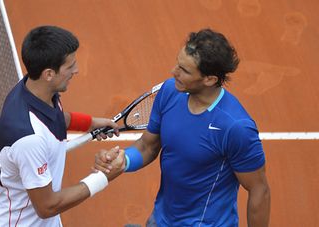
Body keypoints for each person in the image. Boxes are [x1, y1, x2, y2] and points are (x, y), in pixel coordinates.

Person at [95, 28, 271, 226]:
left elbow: (259, 190)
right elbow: (148, 146)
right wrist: (124, 160)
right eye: (178, 64)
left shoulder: (235, 127)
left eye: (184, 70)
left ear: (210, 79)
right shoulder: (170, 91)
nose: (173, 72)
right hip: (161, 219)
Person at [0, 25, 125, 227]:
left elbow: (56, 118)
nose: (77, 70)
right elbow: (47, 206)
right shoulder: (28, 138)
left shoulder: (33, 90)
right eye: (70, 66)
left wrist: (91, 123)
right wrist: (104, 177)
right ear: (49, 74)